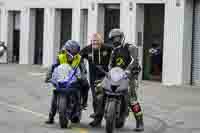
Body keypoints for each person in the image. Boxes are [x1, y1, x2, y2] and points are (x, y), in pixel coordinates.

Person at [90, 29, 144, 132]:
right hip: (116, 75)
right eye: (113, 38)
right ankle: (98, 117)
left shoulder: (129, 47)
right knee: (100, 89)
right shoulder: (114, 51)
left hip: (129, 76)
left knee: (132, 99)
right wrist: (109, 72)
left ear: (121, 37)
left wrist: (128, 70)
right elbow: (110, 64)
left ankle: (140, 122)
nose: (115, 40)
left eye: (117, 38)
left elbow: (134, 60)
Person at [45, 40, 89, 124]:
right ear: (66, 50)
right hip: (62, 79)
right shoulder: (60, 56)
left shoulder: (79, 58)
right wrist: (48, 76)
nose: (73, 54)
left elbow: (83, 69)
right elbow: (53, 66)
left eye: (75, 52)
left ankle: (83, 103)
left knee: (86, 85)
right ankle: (51, 116)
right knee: (55, 96)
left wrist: (83, 76)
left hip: (73, 80)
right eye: (71, 52)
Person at [79, 33, 112, 121]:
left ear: (101, 41)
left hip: (105, 75)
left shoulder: (107, 48)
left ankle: (100, 114)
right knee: (95, 97)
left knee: (101, 94)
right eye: (93, 41)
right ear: (91, 42)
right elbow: (78, 56)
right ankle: (97, 118)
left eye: (97, 41)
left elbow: (116, 52)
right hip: (93, 76)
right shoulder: (88, 49)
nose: (95, 43)